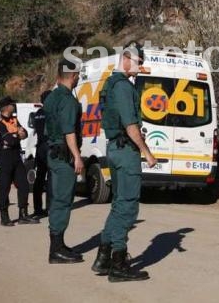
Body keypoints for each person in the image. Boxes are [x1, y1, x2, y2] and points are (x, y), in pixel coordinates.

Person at [92, 43, 157, 282]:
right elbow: (131, 126)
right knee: (128, 207)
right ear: (127, 59)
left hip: (115, 149)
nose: (141, 67)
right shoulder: (122, 87)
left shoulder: (111, 83)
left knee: (118, 205)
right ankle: (118, 264)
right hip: (126, 151)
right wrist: (146, 152)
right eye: (139, 62)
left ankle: (103, 258)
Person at [44, 58, 84, 264]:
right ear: (74, 75)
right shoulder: (68, 100)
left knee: (58, 198)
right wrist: (77, 156)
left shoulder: (51, 97)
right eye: (78, 75)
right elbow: (69, 130)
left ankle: (58, 245)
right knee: (63, 200)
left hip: (52, 152)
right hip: (64, 155)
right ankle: (56, 249)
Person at [0, 96, 39, 227]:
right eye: (12, 104)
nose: (14, 105)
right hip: (5, 156)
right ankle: (4, 216)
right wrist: (17, 134)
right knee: (5, 187)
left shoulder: (14, 120)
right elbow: (10, 140)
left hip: (16, 155)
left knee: (24, 184)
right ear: (6, 107)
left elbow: (24, 133)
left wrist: (17, 134)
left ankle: (23, 215)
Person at [32, 90, 51, 217]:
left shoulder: (37, 114)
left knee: (39, 179)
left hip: (39, 148)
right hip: (48, 147)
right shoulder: (51, 113)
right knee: (51, 179)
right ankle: (50, 208)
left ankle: (38, 209)